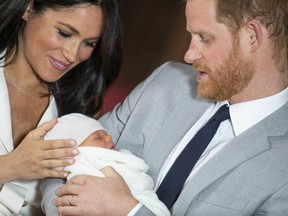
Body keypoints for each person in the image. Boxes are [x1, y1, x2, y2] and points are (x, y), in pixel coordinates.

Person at [42, 0, 288, 215]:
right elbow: (63, 163)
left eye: (205, 38)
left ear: (252, 37)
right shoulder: (166, 80)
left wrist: (129, 212)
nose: (189, 55)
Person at [0, 0, 123, 215]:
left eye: (90, 43)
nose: (73, 54)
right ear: (29, 8)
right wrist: (9, 166)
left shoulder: (80, 110)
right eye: (65, 33)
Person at [42, 113, 170, 216]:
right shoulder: (82, 162)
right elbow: (86, 191)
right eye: (98, 137)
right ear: (75, 151)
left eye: (106, 134)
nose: (109, 137)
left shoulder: (118, 156)